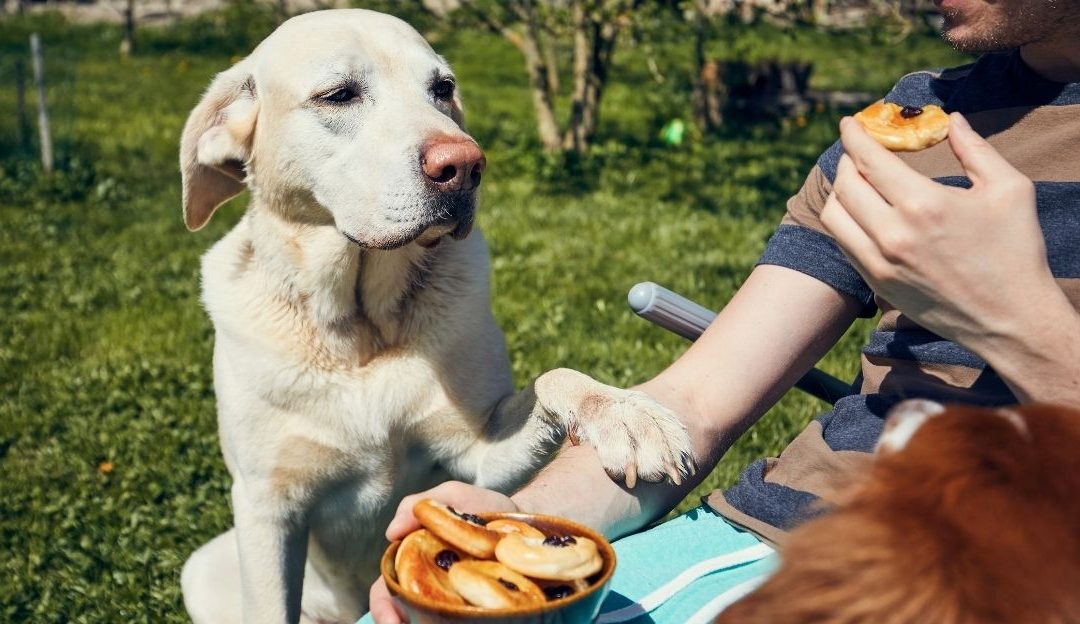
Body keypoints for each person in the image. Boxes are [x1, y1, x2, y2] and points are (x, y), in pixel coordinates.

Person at [367, 1, 1080, 621]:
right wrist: (525, 525)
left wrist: (1015, 322)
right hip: (779, 535)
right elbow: (699, 402)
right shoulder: (907, 125)